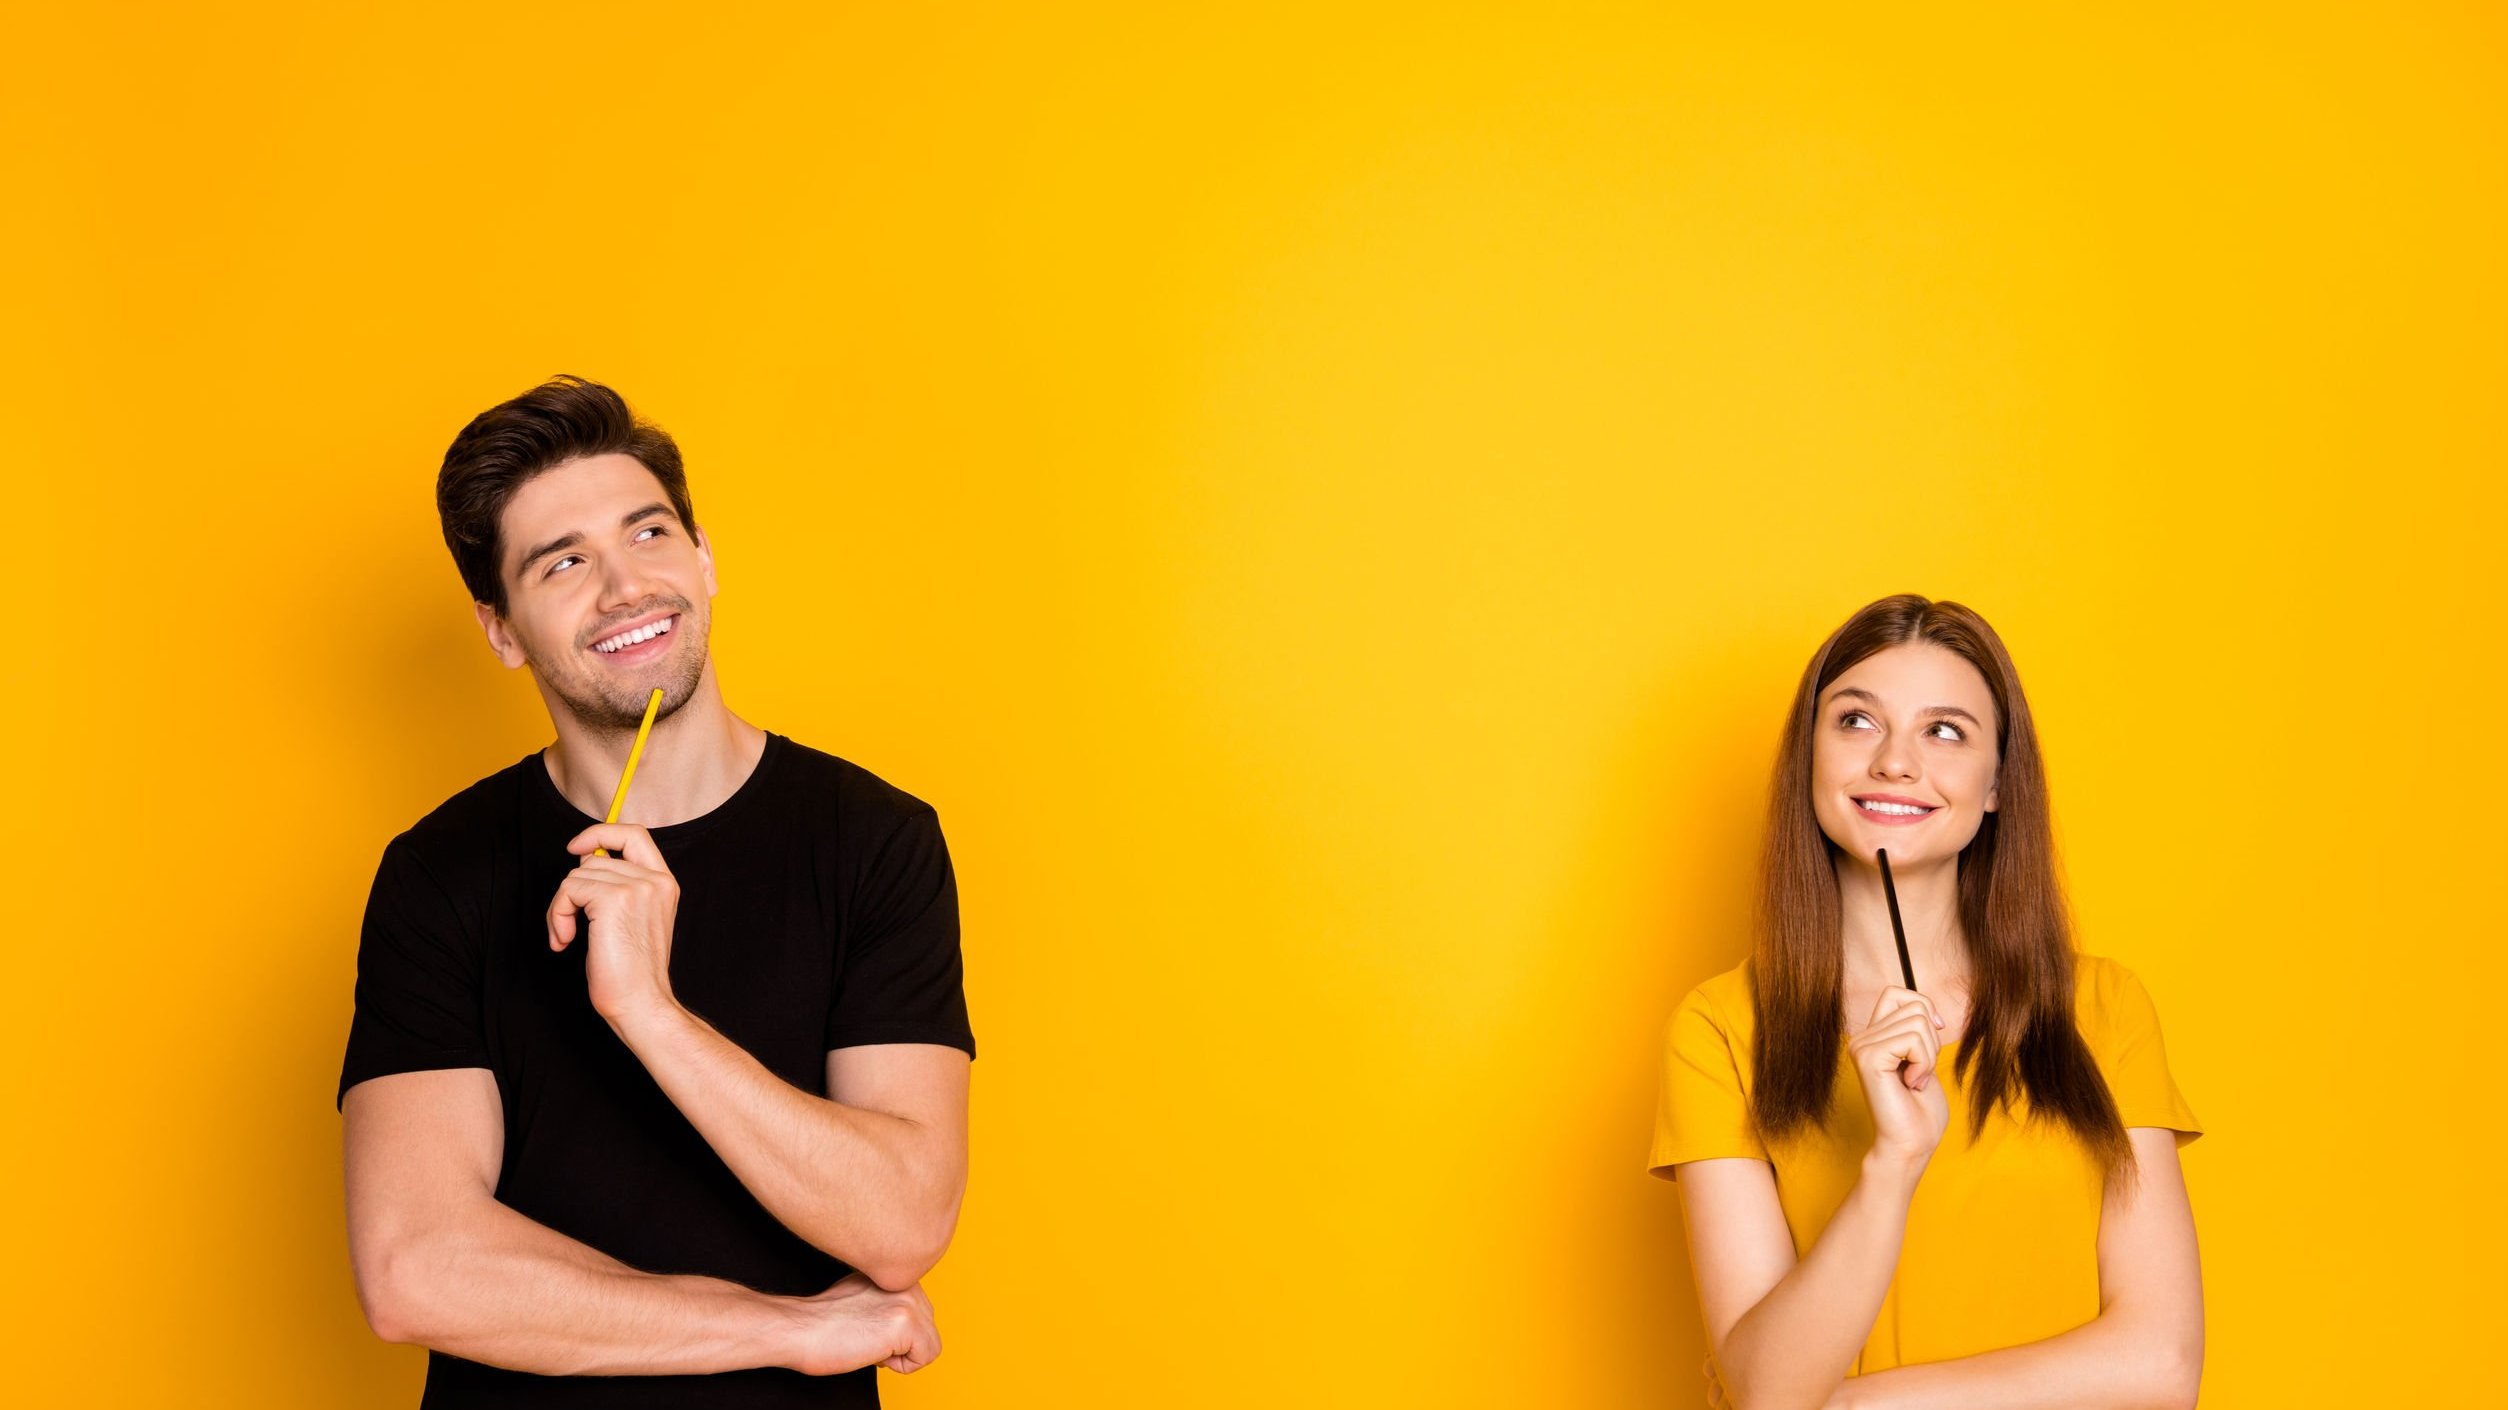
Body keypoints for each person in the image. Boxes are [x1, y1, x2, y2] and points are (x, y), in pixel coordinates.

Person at [337, 375, 975, 1408]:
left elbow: (901, 1223)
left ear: (705, 558)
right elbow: (415, 1271)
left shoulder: (875, 840)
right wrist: (786, 1330)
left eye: (648, 534)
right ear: (501, 632)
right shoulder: (440, 871)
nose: (626, 587)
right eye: (566, 563)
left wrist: (651, 1013)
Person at [1649, 594, 2204, 1410]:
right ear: (1810, 758)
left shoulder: (2101, 1008)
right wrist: (1891, 1163)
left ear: (1996, 788)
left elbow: (2161, 1365)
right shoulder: (1722, 1029)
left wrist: (1852, 1405)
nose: (1896, 763)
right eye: (1857, 722)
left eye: (1944, 731)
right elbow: (1769, 1389)